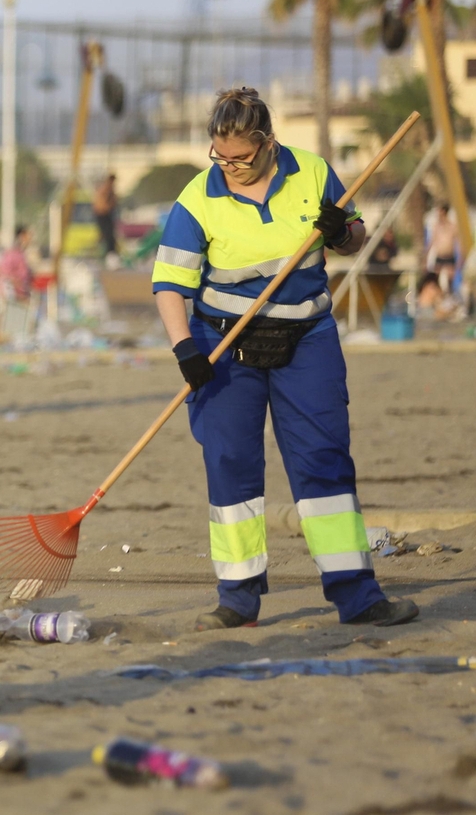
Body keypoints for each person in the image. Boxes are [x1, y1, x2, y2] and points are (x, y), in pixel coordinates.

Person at [151, 86, 417, 633]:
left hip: (307, 339)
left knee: (323, 459)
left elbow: (354, 238)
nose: (230, 167)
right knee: (230, 464)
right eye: (219, 157)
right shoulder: (198, 197)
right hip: (224, 345)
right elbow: (169, 285)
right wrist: (185, 351)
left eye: (240, 158)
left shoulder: (314, 173)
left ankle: (357, 595)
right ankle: (238, 599)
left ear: (268, 143)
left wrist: (341, 230)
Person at [0, 225, 35, 341]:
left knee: (17, 326)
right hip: (10, 293)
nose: (30, 239)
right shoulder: (12, 254)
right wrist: (17, 287)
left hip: (19, 293)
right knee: (6, 325)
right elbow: (4, 274)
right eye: (28, 236)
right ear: (21, 236)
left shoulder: (21, 254)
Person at [94, 172, 120, 262]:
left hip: (106, 214)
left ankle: (110, 255)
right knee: (107, 235)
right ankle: (107, 255)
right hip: (102, 214)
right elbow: (102, 204)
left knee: (109, 236)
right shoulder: (105, 189)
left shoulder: (109, 190)